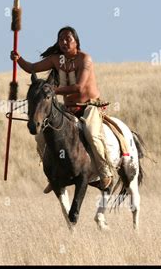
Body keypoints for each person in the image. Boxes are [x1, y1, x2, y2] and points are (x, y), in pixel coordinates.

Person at [10, 26, 113, 192]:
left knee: (92, 133)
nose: (64, 42)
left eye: (68, 39)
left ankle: (105, 172)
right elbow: (31, 68)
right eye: (61, 39)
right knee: (42, 137)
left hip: (89, 106)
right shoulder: (56, 59)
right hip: (67, 108)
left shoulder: (84, 59)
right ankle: (54, 176)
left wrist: (51, 91)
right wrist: (18, 58)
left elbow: (79, 87)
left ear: (76, 42)